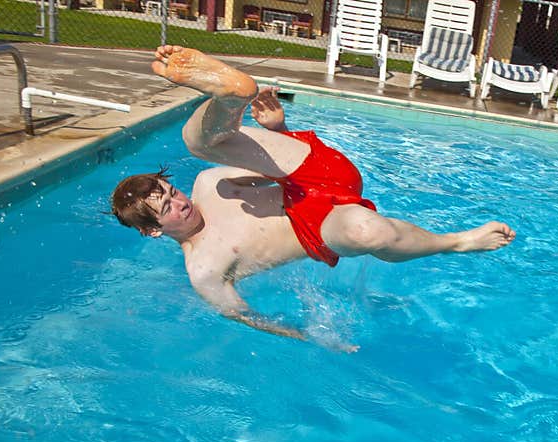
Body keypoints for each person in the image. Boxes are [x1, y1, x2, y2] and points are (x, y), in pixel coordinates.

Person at [111, 46, 515, 348]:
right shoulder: (205, 271)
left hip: (316, 173)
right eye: (168, 207)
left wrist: (279, 128)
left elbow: (269, 164)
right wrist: (310, 337)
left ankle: (231, 96)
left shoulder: (207, 186)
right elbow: (249, 318)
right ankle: (459, 241)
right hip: (317, 226)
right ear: (153, 231)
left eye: (172, 191)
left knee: (201, 146)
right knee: (367, 233)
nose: (181, 201)